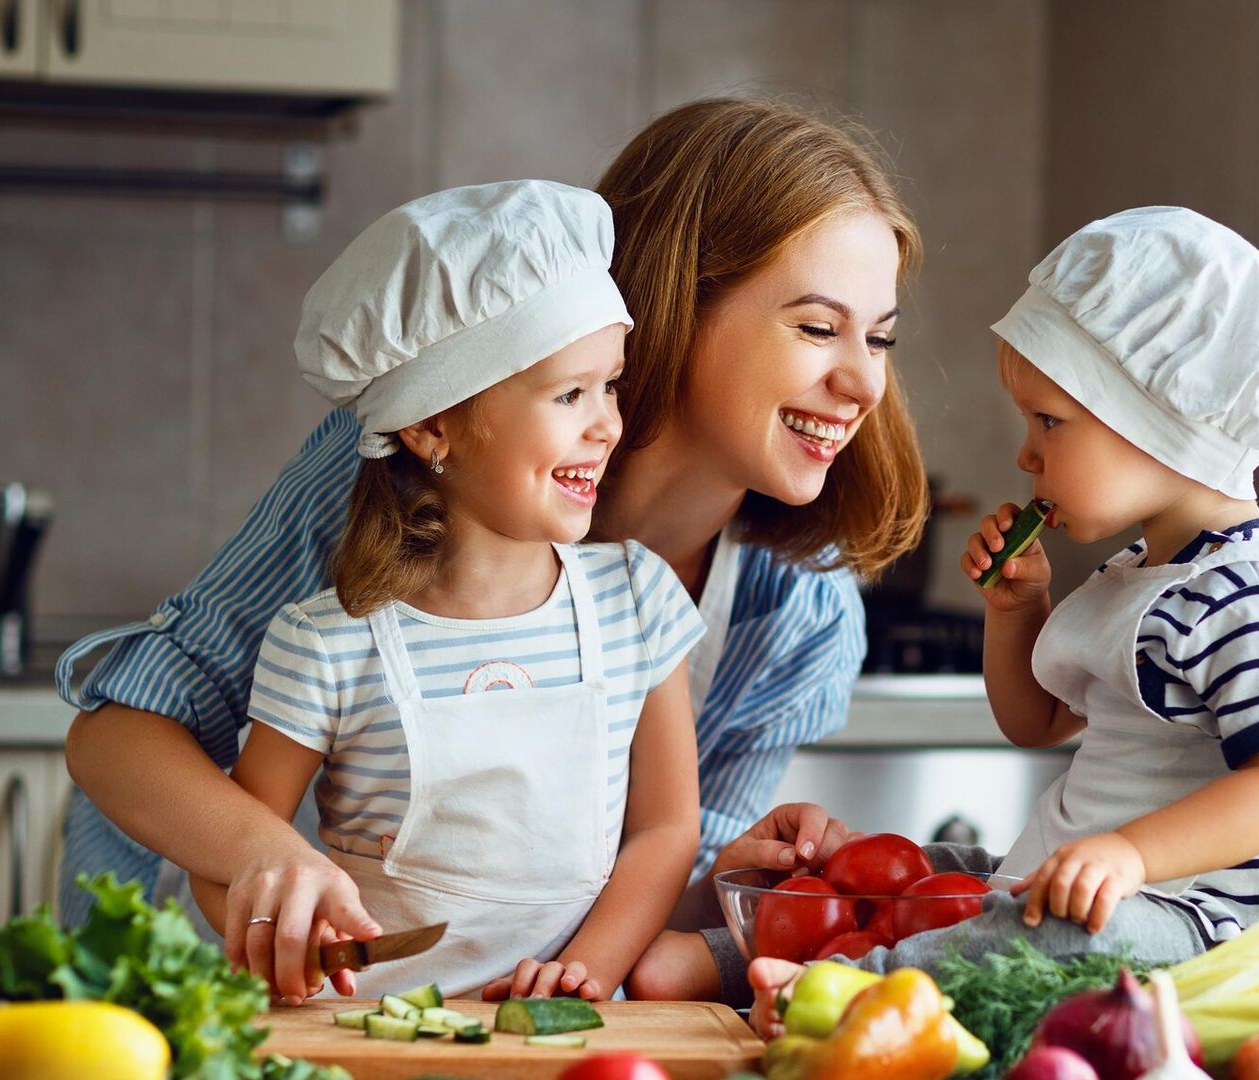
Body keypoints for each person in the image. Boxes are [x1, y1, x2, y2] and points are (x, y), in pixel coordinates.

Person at [53, 98, 929, 999]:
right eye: (819, 328)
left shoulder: (797, 614)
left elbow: (642, 916)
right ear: (674, 303)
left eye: (883, 337)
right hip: (218, 983)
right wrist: (268, 856)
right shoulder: (408, 463)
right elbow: (120, 732)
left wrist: (741, 889)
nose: (864, 381)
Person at [743, 207, 1259, 1031]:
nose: (1026, 455)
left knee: (1052, 928)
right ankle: (733, 948)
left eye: (1049, 422)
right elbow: (1037, 723)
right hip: (1099, 884)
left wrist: (1131, 856)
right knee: (928, 866)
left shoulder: (1256, 598)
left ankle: (850, 992)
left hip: (1194, 921)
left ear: (1160, 421)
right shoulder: (1138, 576)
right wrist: (1016, 610)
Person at [181, 181, 702, 1003]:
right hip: (367, 1034)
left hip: (565, 1037)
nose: (607, 424)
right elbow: (233, 864)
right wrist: (284, 933)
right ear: (432, 430)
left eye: (611, 386)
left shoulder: (637, 600)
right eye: (570, 393)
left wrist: (584, 975)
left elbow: (667, 829)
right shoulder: (328, 643)